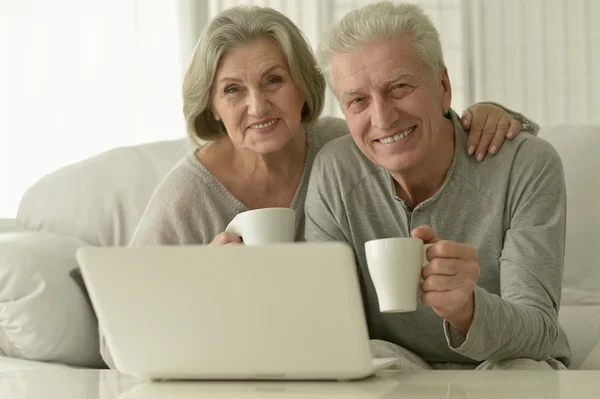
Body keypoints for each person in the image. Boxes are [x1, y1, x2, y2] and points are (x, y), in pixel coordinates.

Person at [98, 5, 538, 368]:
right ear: (212, 108)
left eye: (274, 79)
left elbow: (414, 121)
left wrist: (489, 113)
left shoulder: (345, 144)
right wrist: (208, 296)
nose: (257, 105)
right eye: (233, 90)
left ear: (303, 89)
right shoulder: (187, 196)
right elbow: (117, 336)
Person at [305, 1, 570, 370]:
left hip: (506, 367)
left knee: (520, 366)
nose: (382, 118)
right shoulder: (335, 171)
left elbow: (539, 332)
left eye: (400, 87)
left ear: (443, 86)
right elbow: (327, 328)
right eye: (358, 101)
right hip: (394, 372)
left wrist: (467, 308)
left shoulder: (526, 164)